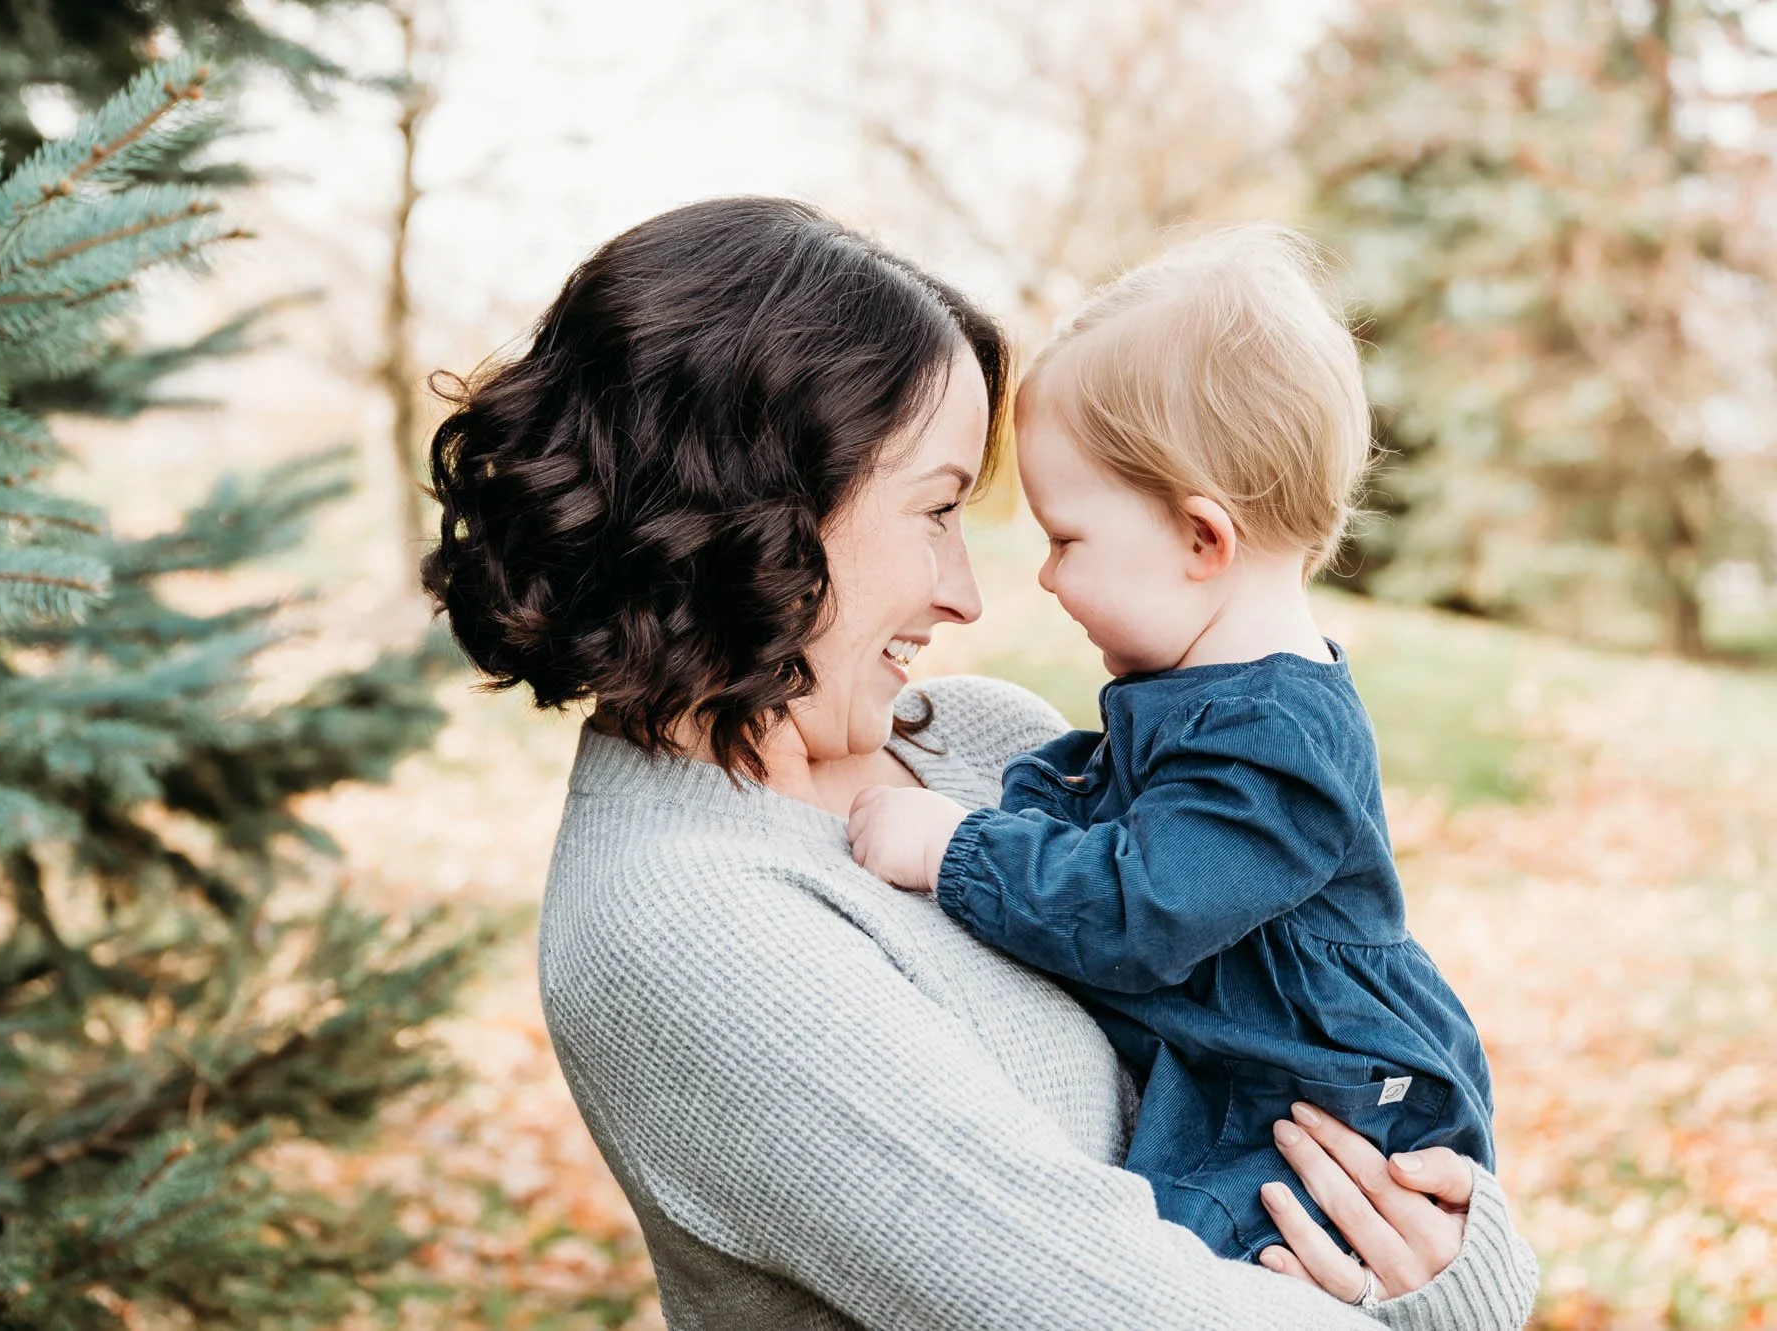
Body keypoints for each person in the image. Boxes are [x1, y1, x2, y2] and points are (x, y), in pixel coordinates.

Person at [424, 196, 1539, 1329]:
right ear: (759, 508)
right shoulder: (686, 929)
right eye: (937, 509)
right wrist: (1455, 1310)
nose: (969, 590)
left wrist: (1445, 1250)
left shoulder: (981, 740)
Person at [846, 225, 1496, 1271]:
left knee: (1157, 1269)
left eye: (1066, 539)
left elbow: (1139, 910)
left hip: (1327, 1117)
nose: (1046, 578)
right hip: (1258, 1090)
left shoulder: (1271, 738)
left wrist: (954, 846)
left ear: (1202, 539)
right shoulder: (1203, 702)